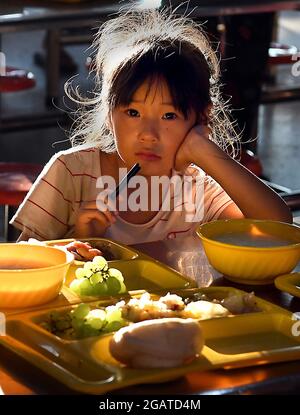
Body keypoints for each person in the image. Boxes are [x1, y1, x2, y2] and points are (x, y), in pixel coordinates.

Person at [12, 9, 292, 252]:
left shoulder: (197, 186)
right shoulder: (71, 172)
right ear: (109, 115)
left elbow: (277, 227)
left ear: (200, 118)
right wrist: (82, 240)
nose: (148, 134)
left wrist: (203, 150)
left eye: (169, 115)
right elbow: (23, 259)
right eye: (133, 113)